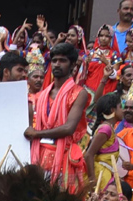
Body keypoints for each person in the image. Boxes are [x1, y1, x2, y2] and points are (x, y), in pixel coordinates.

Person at [27, 43, 88, 191]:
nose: (57, 64)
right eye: (54, 60)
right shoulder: (41, 95)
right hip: (39, 155)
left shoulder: (79, 93)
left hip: (63, 159)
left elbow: (69, 128)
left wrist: (36, 133)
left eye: (62, 60)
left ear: (73, 64)